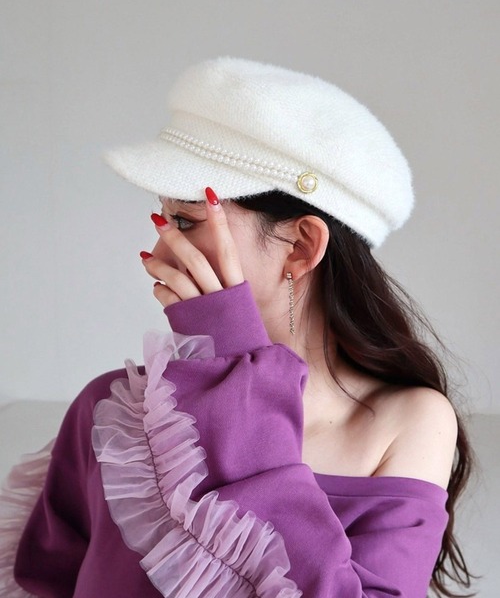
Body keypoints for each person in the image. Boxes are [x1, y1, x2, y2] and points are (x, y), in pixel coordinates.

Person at [1, 57, 474, 597]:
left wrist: (232, 361)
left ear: (301, 245)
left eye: (185, 221)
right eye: (163, 219)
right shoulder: (111, 410)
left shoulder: (407, 422)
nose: (160, 252)